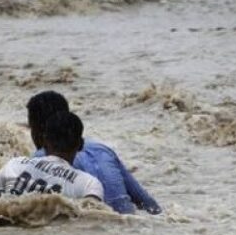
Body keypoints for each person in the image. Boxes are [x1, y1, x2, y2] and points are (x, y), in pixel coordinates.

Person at [27, 91, 163, 215]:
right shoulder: (103, 150)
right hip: (128, 229)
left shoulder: (40, 160)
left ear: (40, 131)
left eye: (31, 128)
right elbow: (148, 204)